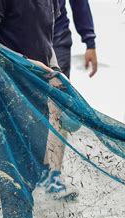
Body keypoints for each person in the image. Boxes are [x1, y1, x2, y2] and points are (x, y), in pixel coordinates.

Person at [0, 0, 61, 218]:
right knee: (13, 172)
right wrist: (26, 63)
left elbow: (47, 40)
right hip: (5, 93)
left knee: (33, 167)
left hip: (36, 87)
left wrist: (57, 74)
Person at [41, 0, 98, 199]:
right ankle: (40, 169)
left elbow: (79, 3)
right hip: (20, 43)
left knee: (58, 110)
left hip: (57, 41)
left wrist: (89, 41)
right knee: (30, 109)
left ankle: (54, 174)